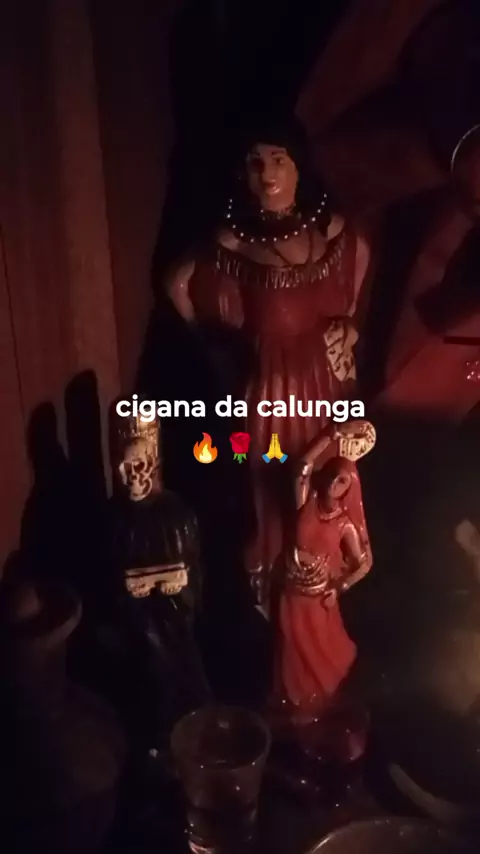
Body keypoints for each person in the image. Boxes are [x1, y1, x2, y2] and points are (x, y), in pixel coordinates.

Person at [166, 117, 370, 608]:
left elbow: (359, 254)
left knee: (328, 472)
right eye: (255, 163)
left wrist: (349, 323)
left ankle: (326, 568)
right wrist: (212, 343)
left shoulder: (325, 229)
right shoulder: (234, 242)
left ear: (299, 166)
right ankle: (276, 580)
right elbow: (176, 283)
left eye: (279, 159)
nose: (268, 173)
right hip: (269, 390)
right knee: (271, 477)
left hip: (323, 382)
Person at [270, 452, 372, 746]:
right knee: (289, 640)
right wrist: (332, 434)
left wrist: (340, 586)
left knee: (314, 643)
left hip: (318, 595)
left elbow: (363, 563)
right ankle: (292, 699)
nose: (334, 484)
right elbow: (302, 466)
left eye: (343, 482)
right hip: (291, 588)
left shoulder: (344, 524)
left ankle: (317, 701)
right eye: (333, 476)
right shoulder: (306, 501)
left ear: (348, 490)